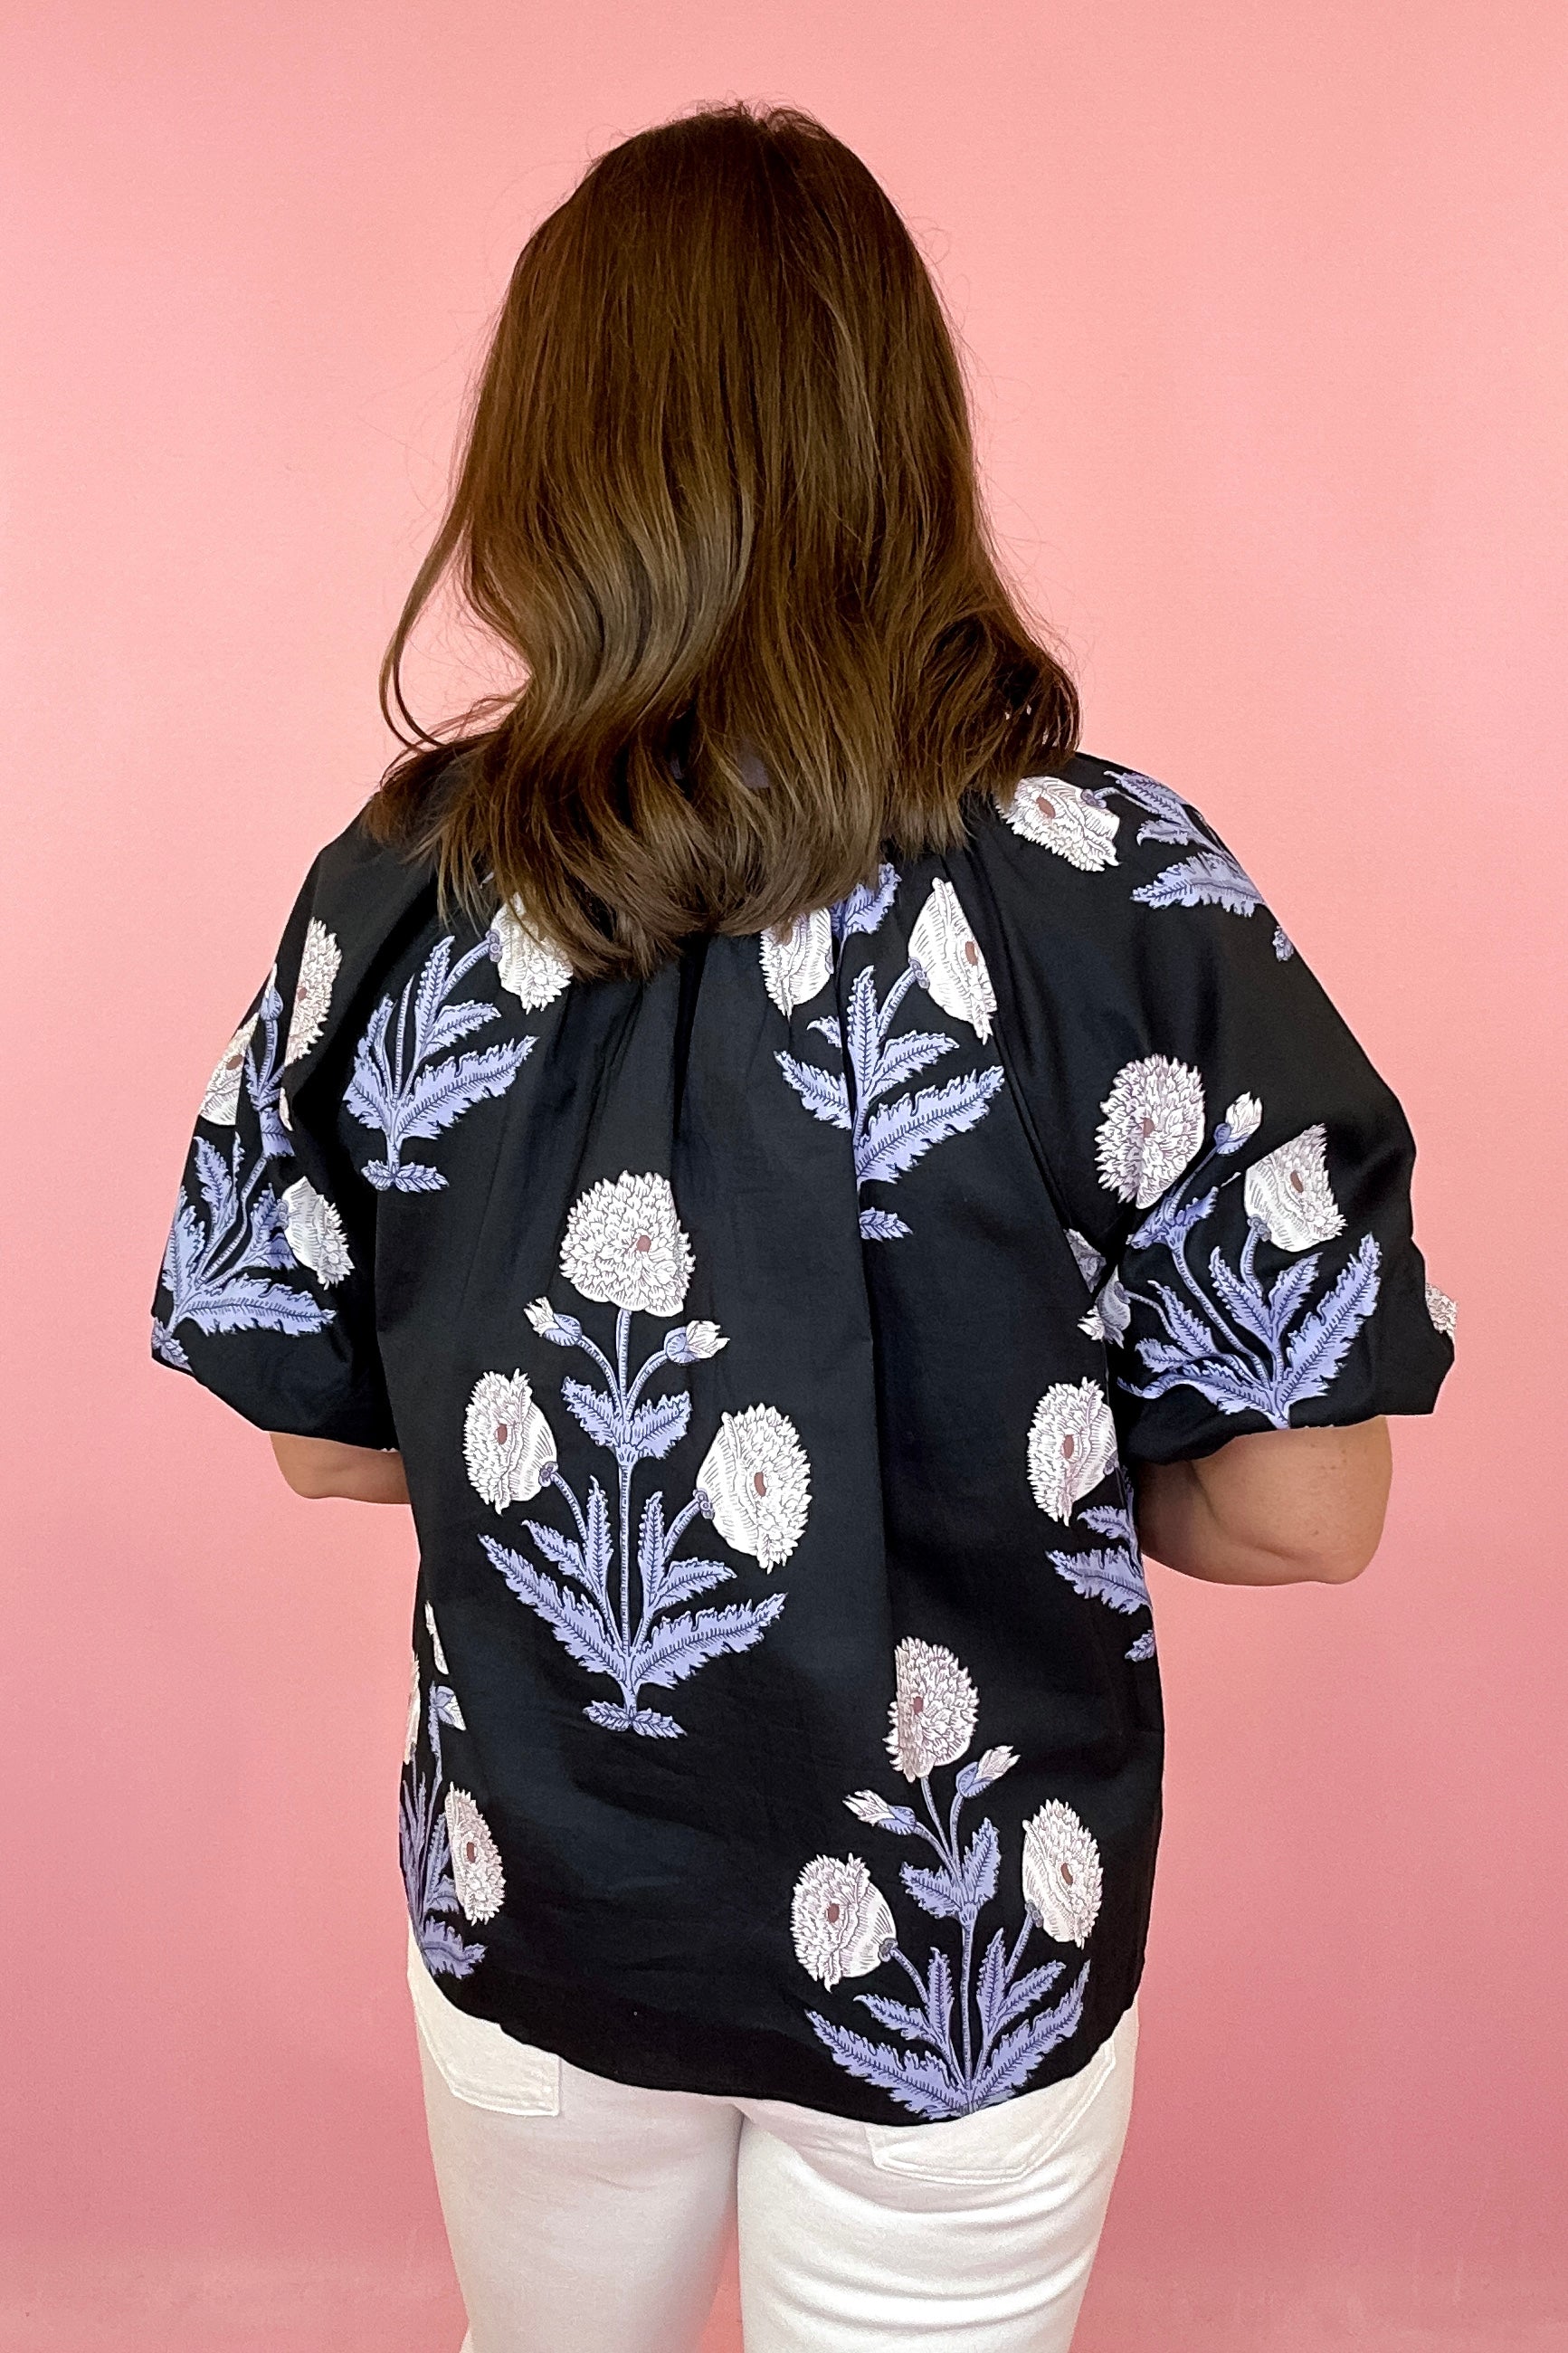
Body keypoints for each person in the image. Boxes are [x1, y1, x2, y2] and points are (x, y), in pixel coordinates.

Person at [150, 102, 1456, 2353]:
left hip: (547, 1903)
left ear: (547, 462)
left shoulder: (401, 891)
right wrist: (988, 1474)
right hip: (966, 1948)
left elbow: (320, 1432)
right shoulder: (1120, 896)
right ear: (898, 443)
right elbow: (1308, 1503)